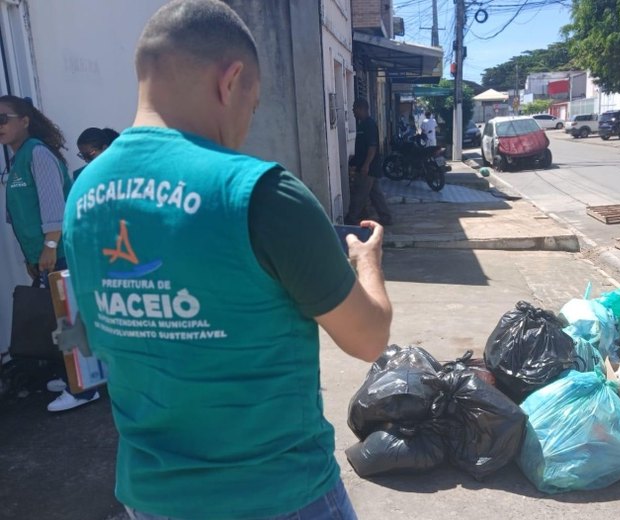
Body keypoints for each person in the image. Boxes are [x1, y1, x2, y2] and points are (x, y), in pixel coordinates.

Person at [62, 1, 391, 519]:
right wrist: (366, 262)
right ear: (231, 80)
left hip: (152, 500)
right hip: (278, 494)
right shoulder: (259, 191)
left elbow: (99, 334)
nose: (246, 123)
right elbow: (368, 339)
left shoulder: (83, 194)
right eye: (253, 104)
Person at [0, 94, 100, 412]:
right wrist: (33, 257)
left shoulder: (38, 154)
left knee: (68, 319)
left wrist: (50, 247)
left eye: (3, 118)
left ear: (24, 121)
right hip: (44, 254)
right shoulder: (18, 159)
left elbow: (53, 205)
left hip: (61, 251)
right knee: (60, 318)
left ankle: (83, 389)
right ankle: (72, 375)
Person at [346, 98, 392, 226]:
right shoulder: (362, 124)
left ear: (361, 109)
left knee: (359, 194)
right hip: (368, 166)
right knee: (375, 194)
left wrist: (366, 165)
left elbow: (372, 147)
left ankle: (352, 218)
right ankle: (385, 217)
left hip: (368, 167)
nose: (353, 112)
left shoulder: (369, 125)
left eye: (354, 109)